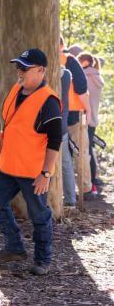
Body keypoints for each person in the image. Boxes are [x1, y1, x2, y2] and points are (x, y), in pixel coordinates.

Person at [0, 48, 62, 276]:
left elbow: (55, 140)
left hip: (32, 170)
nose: (19, 72)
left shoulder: (49, 101)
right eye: (18, 66)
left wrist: (46, 174)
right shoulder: (16, 89)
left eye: (25, 68)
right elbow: (8, 125)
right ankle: (15, 247)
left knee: (39, 215)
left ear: (40, 71)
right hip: (8, 165)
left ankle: (43, 260)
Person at [60, 37, 91, 196]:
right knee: (81, 152)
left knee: (63, 156)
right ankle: (85, 188)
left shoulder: (43, 62)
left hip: (57, 115)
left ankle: (65, 191)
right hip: (74, 114)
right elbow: (82, 89)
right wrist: (89, 110)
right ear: (62, 45)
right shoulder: (70, 61)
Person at [77, 52, 105, 191]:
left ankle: (91, 183)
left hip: (84, 118)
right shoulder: (97, 76)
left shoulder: (84, 76)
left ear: (84, 61)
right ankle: (94, 180)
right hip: (93, 118)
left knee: (86, 151)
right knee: (90, 149)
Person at [59, 64, 77, 207]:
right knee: (66, 163)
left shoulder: (63, 74)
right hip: (61, 126)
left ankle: (69, 199)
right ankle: (70, 199)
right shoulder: (66, 74)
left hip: (52, 127)